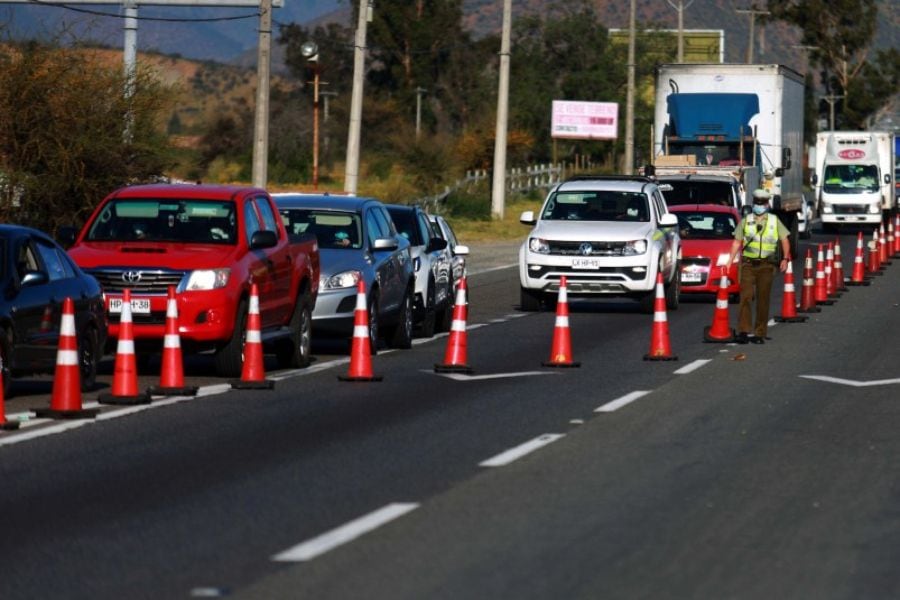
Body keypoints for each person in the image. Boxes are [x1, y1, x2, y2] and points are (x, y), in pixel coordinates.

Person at [723, 188, 791, 344]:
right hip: (748, 264)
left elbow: (785, 240)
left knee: (763, 299)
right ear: (753, 203)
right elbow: (737, 242)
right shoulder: (746, 221)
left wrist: (785, 259)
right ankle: (743, 331)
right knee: (745, 296)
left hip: (766, 265)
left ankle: (760, 333)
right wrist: (729, 261)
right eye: (756, 203)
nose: (759, 206)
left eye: (762, 203)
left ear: (767, 205)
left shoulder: (774, 221)